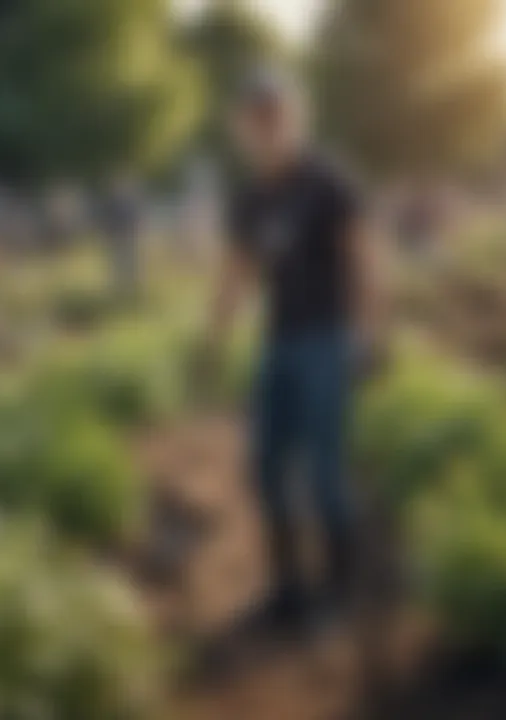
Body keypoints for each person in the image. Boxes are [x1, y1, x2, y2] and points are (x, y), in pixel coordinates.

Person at [203, 69, 383, 636]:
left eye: (276, 114)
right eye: (256, 117)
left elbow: (363, 261)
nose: (266, 127)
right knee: (265, 466)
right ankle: (287, 587)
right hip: (278, 343)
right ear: (241, 128)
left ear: (298, 116)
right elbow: (237, 270)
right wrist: (213, 338)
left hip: (328, 341)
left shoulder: (329, 183)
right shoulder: (251, 197)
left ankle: (340, 595)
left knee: (326, 472)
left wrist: (369, 335)